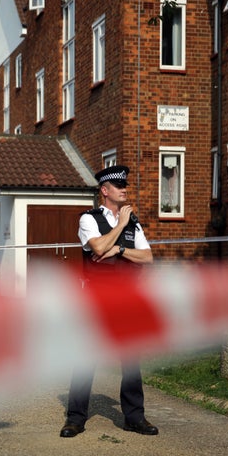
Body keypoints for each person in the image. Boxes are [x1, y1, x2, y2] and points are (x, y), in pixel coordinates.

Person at [59, 164, 159, 438]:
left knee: (130, 360)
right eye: (119, 186)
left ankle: (134, 417)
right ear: (105, 191)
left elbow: (147, 257)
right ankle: (75, 419)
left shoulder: (134, 221)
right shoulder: (88, 219)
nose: (125, 189)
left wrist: (121, 248)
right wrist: (121, 227)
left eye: (125, 185)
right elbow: (99, 247)